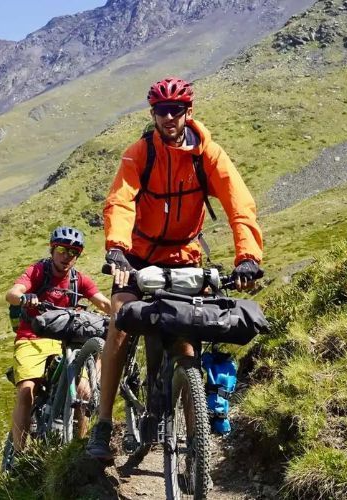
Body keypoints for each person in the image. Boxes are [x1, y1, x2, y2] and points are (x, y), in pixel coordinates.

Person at [85, 77, 265, 463]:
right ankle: (102, 424)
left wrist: (248, 257)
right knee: (120, 319)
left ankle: (194, 436)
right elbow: (120, 202)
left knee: (188, 334)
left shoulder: (209, 155)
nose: (169, 117)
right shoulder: (140, 154)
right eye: (162, 111)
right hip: (137, 255)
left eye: (176, 110)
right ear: (152, 114)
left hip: (185, 256)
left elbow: (239, 204)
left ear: (188, 112)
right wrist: (117, 250)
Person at [5, 226, 111, 452]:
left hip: (66, 340)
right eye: (62, 250)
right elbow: (12, 294)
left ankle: (80, 451)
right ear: (52, 250)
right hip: (32, 336)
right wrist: (25, 298)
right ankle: (19, 456)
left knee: (84, 392)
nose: (66, 256)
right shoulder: (37, 272)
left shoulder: (79, 280)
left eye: (73, 252)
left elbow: (103, 303)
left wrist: (125, 312)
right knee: (26, 390)